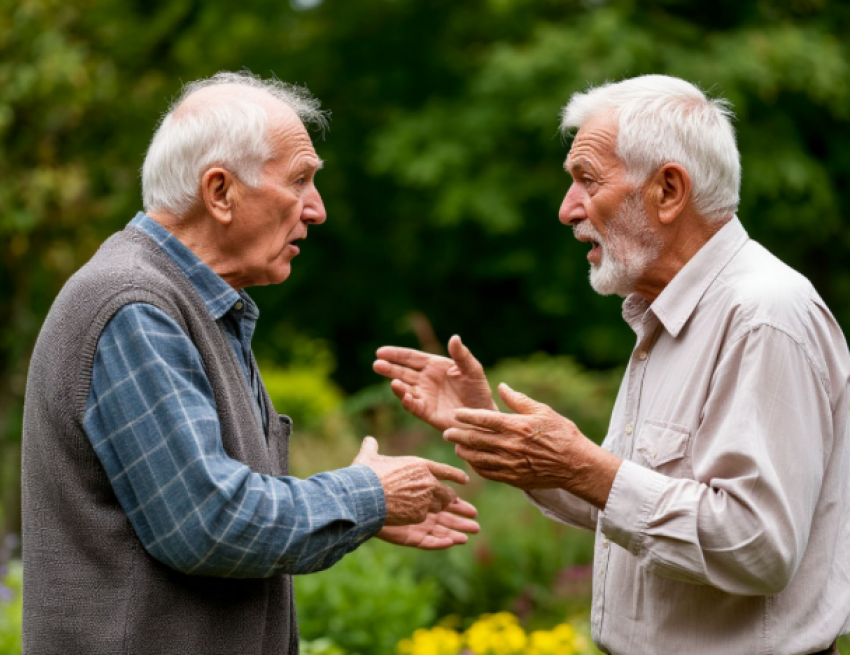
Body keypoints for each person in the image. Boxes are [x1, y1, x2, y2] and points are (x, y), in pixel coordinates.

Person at [374, 75, 850, 655]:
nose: (566, 208)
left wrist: (585, 467)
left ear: (668, 190)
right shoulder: (666, 314)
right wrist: (496, 431)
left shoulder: (763, 315)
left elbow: (757, 546)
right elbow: (624, 499)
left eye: (587, 179)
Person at [22, 71, 479, 655]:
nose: (317, 209)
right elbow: (207, 523)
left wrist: (363, 510)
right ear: (220, 192)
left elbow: (211, 498)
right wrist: (367, 495)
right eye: (300, 180)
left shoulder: (190, 302)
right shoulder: (134, 305)